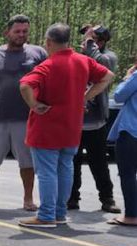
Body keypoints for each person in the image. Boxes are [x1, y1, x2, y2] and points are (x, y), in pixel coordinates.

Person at [17, 23, 114, 228]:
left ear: (49, 42)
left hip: (47, 128)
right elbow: (108, 76)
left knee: (47, 171)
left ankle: (46, 215)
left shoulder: (47, 65)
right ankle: (60, 212)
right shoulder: (83, 61)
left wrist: (34, 105)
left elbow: (25, 84)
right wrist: (85, 97)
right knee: (65, 168)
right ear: (68, 41)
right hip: (72, 126)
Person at [0, 14, 48, 211]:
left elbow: (49, 82)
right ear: (7, 33)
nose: (21, 35)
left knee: (27, 161)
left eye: (25, 31)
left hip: (27, 118)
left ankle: (28, 199)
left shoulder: (38, 54)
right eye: (17, 31)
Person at [69, 24, 120, 213]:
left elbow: (102, 65)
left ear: (103, 41)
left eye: (95, 39)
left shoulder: (109, 57)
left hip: (96, 120)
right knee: (72, 162)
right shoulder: (80, 57)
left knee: (98, 162)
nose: (89, 42)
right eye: (89, 39)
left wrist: (90, 44)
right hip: (75, 120)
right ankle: (71, 197)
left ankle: (107, 198)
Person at [107, 60, 137, 225]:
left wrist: (128, 77)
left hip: (132, 131)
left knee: (128, 173)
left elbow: (119, 96)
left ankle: (132, 215)